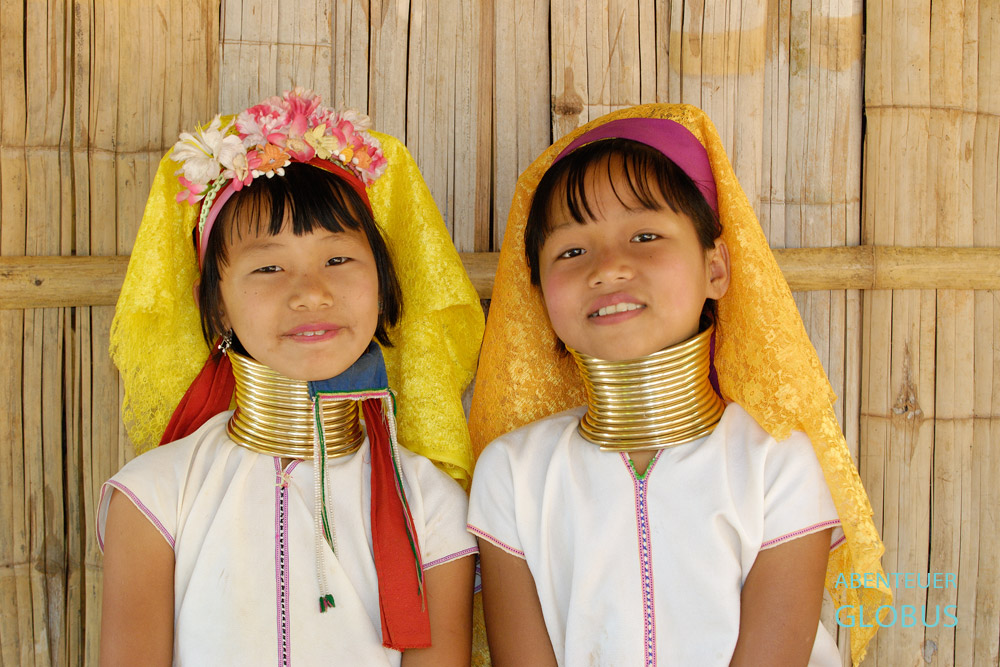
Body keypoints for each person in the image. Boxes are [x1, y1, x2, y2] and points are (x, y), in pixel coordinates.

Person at [467, 105, 890, 666]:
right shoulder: (513, 474)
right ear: (539, 293)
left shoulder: (777, 461)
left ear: (716, 268)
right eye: (571, 251)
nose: (608, 267)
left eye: (645, 235)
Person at [98, 89, 483, 665]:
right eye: (269, 267)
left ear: (381, 286)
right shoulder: (155, 497)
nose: (311, 293)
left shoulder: (430, 505)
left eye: (338, 259)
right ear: (219, 308)